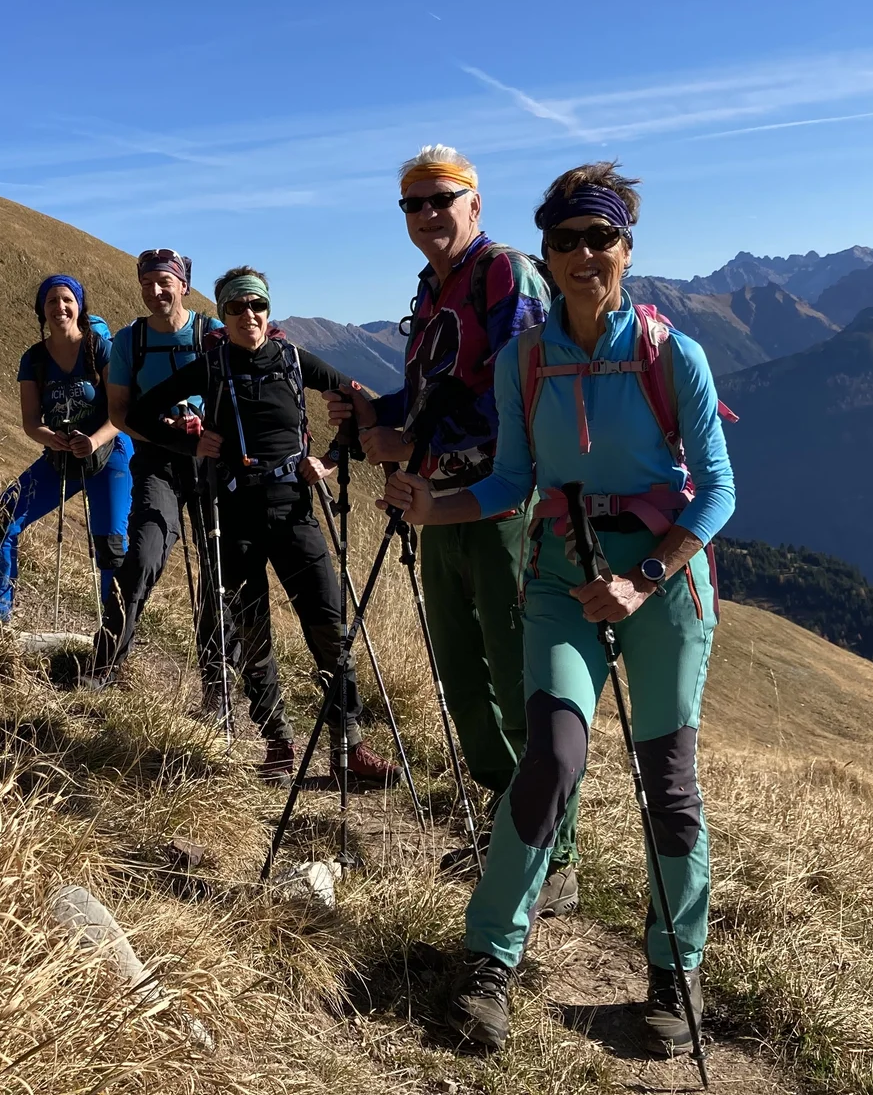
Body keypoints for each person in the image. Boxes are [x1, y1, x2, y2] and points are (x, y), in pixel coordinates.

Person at [384, 161, 734, 1059]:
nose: (585, 255)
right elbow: (509, 480)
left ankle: (673, 970)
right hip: (559, 579)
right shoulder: (525, 359)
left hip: (661, 585)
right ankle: (491, 960)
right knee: (549, 759)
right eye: (567, 240)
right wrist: (437, 507)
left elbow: (719, 493)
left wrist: (644, 577)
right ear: (544, 252)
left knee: (670, 788)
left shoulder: (672, 355)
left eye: (601, 238)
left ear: (626, 246)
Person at [325, 143, 581, 907]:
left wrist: (413, 441)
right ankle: (515, 826)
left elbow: (520, 389)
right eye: (415, 203)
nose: (429, 213)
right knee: (465, 684)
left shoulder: (506, 274)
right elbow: (439, 394)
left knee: (518, 679)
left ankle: (555, 857)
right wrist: (382, 416)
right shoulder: (434, 292)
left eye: (443, 198)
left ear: (475, 203)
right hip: (437, 506)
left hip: (504, 508)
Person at [129, 268, 399, 785]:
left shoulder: (295, 361)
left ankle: (351, 746)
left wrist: (333, 456)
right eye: (236, 308)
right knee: (253, 629)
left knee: (328, 623)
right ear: (224, 314)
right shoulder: (210, 367)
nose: (248, 316)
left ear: (267, 310)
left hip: (295, 507)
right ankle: (278, 741)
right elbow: (141, 413)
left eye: (256, 306)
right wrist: (188, 443)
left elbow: (358, 401)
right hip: (236, 513)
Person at [85, 248, 229, 697]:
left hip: (212, 463)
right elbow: (120, 412)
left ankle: (217, 686)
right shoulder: (130, 340)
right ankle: (103, 666)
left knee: (219, 573)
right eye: (147, 283)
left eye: (164, 281)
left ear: (183, 285)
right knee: (143, 555)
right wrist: (168, 432)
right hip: (156, 461)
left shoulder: (213, 335)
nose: (155, 290)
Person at [0, 276, 135, 624]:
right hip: (60, 454)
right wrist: (50, 437)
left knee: (111, 546)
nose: (59, 307)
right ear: (42, 311)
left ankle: (113, 639)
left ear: (79, 307)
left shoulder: (101, 350)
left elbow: (120, 412)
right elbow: (31, 421)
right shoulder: (33, 359)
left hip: (110, 453)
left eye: (67, 299)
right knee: (0, 521)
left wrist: (94, 440)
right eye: (51, 301)